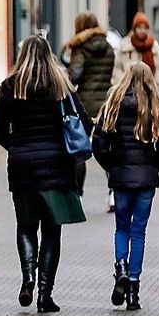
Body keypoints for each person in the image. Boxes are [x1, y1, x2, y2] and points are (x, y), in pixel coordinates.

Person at [0, 36, 89, 314]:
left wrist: (16, 146)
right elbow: (83, 120)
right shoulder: (61, 85)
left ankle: (28, 277)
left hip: (22, 164)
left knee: (25, 225)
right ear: (49, 56)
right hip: (57, 164)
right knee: (51, 230)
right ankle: (45, 295)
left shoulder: (11, 86)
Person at [93, 63, 159, 311]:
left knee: (122, 228)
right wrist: (154, 168)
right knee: (139, 232)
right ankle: (134, 290)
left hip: (121, 177)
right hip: (146, 180)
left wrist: (111, 166)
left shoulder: (113, 106)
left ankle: (121, 267)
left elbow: (98, 143)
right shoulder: (154, 108)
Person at [65, 11, 114, 204]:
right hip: (106, 103)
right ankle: (112, 195)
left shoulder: (81, 48)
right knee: (108, 148)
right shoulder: (108, 47)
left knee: (80, 149)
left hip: (84, 104)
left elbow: (75, 75)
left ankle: (79, 195)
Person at [112, 12, 159, 86]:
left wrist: (155, 83)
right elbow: (117, 68)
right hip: (127, 88)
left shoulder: (153, 46)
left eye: (145, 28)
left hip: (148, 88)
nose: (143, 31)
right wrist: (124, 83)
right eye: (139, 27)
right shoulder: (124, 45)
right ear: (134, 28)